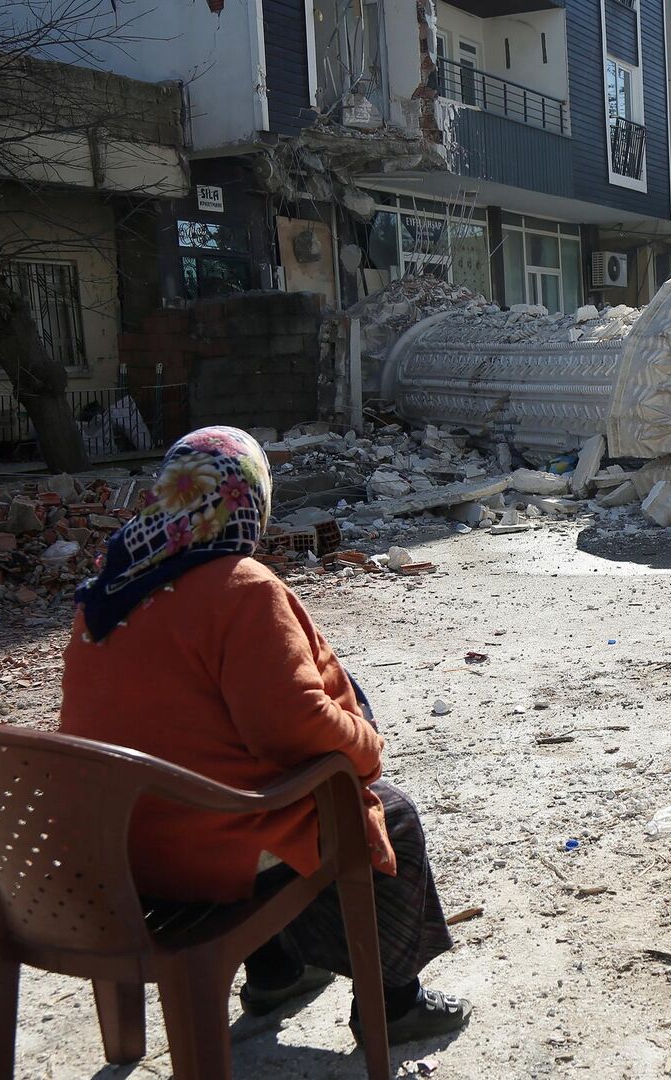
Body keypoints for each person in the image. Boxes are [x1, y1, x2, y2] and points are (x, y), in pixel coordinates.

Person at [60, 426, 470, 1044]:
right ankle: (396, 1004)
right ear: (249, 503)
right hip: (203, 850)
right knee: (388, 815)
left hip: (121, 849)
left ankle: (277, 972)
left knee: (236, 774)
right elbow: (292, 730)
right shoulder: (239, 588)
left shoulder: (109, 592)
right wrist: (366, 744)